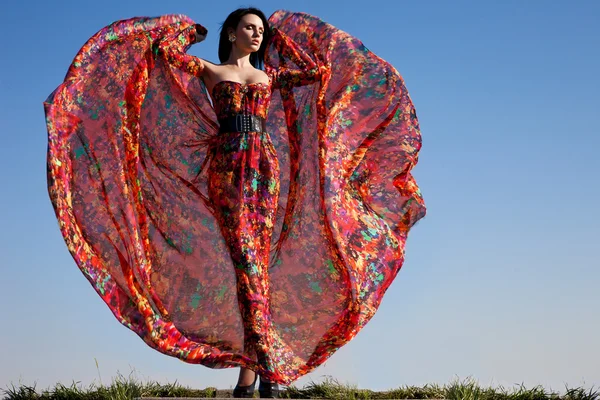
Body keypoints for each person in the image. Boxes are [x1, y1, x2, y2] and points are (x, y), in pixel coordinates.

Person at [44, 7, 426, 399]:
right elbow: (163, 54)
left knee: (256, 268)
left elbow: (316, 73)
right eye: (250, 27)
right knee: (248, 266)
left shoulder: (270, 76)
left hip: (264, 166)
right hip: (227, 166)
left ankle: (250, 378)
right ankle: (269, 371)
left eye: (261, 30)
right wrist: (180, 31)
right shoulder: (211, 70)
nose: (257, 34)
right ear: (231, 33)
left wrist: (284, 38)